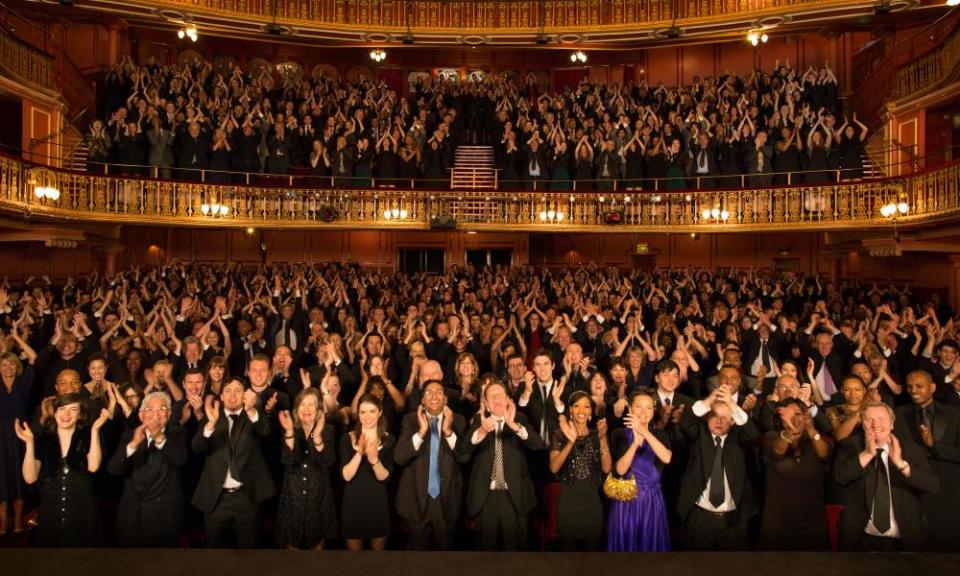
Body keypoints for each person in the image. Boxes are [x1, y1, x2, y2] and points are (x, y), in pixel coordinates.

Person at [833, 401, 940, 551]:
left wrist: (901, 464)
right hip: (860, 540)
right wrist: (867, 454)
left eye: (882, 419)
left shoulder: (912, 449)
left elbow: (933, 486)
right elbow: (840, 477)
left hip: (904, 541)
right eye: (869, 420)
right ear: (862, 424)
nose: (875, 425)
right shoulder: (850, 446)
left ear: (892, 424)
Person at [458, 380, 545, 550]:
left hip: (515, 497)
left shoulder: (520, 418)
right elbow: (463, 451)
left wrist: (513, 425)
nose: (497, 399)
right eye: (492, 396)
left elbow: (537, 444)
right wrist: (482, 431)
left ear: (508, 400)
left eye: (500, 395)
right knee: (485, 558)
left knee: (515, 557)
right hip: (485, 498)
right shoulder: (479, 420)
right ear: (487, 405)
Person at [14, 394, 109, 547]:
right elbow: (30, 478)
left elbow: (93, 466)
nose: (66, 414)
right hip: (50, 509)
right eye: (62, 409)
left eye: (73, 409)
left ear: (80, 415)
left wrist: (95, 430)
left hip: (82, 511)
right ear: (55, 413)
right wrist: (30, 444)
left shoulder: (88, 436)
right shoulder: (43, 439)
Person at [191, 378, 276, 548]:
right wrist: (210, 425)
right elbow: (197, 447)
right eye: (228, 390)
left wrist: (251, 409)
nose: (233, 395)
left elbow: (265, 430)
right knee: (215, 551)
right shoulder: (212, 418)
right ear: (221, 396)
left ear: (244, 394)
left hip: (247, 497)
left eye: (238, 390)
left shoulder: (252, 415)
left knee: (249, 550)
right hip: (217, 497)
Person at [677, 385, 758, 551]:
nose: (719, 421)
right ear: (707, 418)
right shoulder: (698, 436)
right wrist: (709, 400)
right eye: (714, 415)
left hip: (733, 520)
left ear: (733, 420)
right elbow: (686, 423)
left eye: (724, 417)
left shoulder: (739, 440)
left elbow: (752, 434)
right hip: (699, 518)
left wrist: (732, 404)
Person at [108, 391, 187, 547]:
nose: (155, 414)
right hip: (132, 517)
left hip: (164, 518)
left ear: (169, 414)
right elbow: (114, 469)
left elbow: (179, 460)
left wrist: (158, 437)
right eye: (149, 410)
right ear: (141, 415)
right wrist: (133, 445)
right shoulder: (129, 436)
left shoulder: (177, 433)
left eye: (161, 409)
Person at [394, 380, 467, 550]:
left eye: (439, 392)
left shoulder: (458, 421)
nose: (433, 396)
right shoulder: (410, 420)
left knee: (445, 557)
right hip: (416, 500)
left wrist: (448, 431)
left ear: (446, 399)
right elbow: (399, 457)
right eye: (428, 392)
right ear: (422, 400)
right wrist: (421, 432)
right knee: (416, 560)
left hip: (446, 500)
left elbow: (464, 457)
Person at [894, 370, 960, 551]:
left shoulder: (955, 415)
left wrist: (935, 446)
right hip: (912, 491)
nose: (913, 390)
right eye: (909, 386)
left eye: (919, 386)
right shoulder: (898, 414)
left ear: (932, 387)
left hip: (947, 491)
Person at [760, 398, 831, 550]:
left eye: (798, 414)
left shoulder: (815, 439)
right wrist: (789, 434)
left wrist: (811, 430)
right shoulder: (772, 437)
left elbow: (824, 455)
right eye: (790, 414)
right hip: (778, 520)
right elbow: (777, 452)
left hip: (813, 519)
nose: (795, 418)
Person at [606, 388, 671, 551]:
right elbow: (619, 471)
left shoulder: (661, 435)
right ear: (630, 409)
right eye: (639, 407)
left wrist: (644, 431)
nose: (644, 412)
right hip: (625, 500)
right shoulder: (618, 434)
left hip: (652, 501)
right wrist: (634, 444)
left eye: (649, 407)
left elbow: (667, 457)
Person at [274, 388, 337, 550]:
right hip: (292, 499)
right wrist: (289, 432)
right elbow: (288, 459)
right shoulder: (290, 429)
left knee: (316, 557)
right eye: (303, 404)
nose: (307, 409)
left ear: (318, 410)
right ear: (296, 409)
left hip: (319, 499)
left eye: (311, 405)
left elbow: (326, 461)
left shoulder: (328, 430)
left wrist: (316, 436)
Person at [549, 391, 611, 550]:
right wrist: (570, 442)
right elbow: (554, 467)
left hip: (592, 508)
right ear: (570, 409)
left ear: (591, 411)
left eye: (586, 406)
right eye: (576, 406)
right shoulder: (559, 434)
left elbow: (606, 468)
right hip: (567, 509)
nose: (581, 411)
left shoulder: (598, 435)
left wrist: (603, 439)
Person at [340, 393, 395, 550]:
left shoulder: (389, 440)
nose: (367, 416)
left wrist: (374, 460)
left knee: (377, 563)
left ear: (380, 413)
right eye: (363, 412)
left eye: (372, 411)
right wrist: (359, 453)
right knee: (355, 563)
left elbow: (385, 477)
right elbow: (346, 476)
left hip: (378, 506)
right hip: (352, 507)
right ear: (358, 414)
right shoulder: (347, 438)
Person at [0, 348, 35, 537]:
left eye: (11, 364)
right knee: (1, 479)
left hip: (19, 435)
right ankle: (3, 523)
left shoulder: (23, 382)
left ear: (17, 366)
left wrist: (16, 336)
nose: (7, 368)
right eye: (3, 364)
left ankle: (18, 521)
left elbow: (33, 358)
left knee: (18, 478)